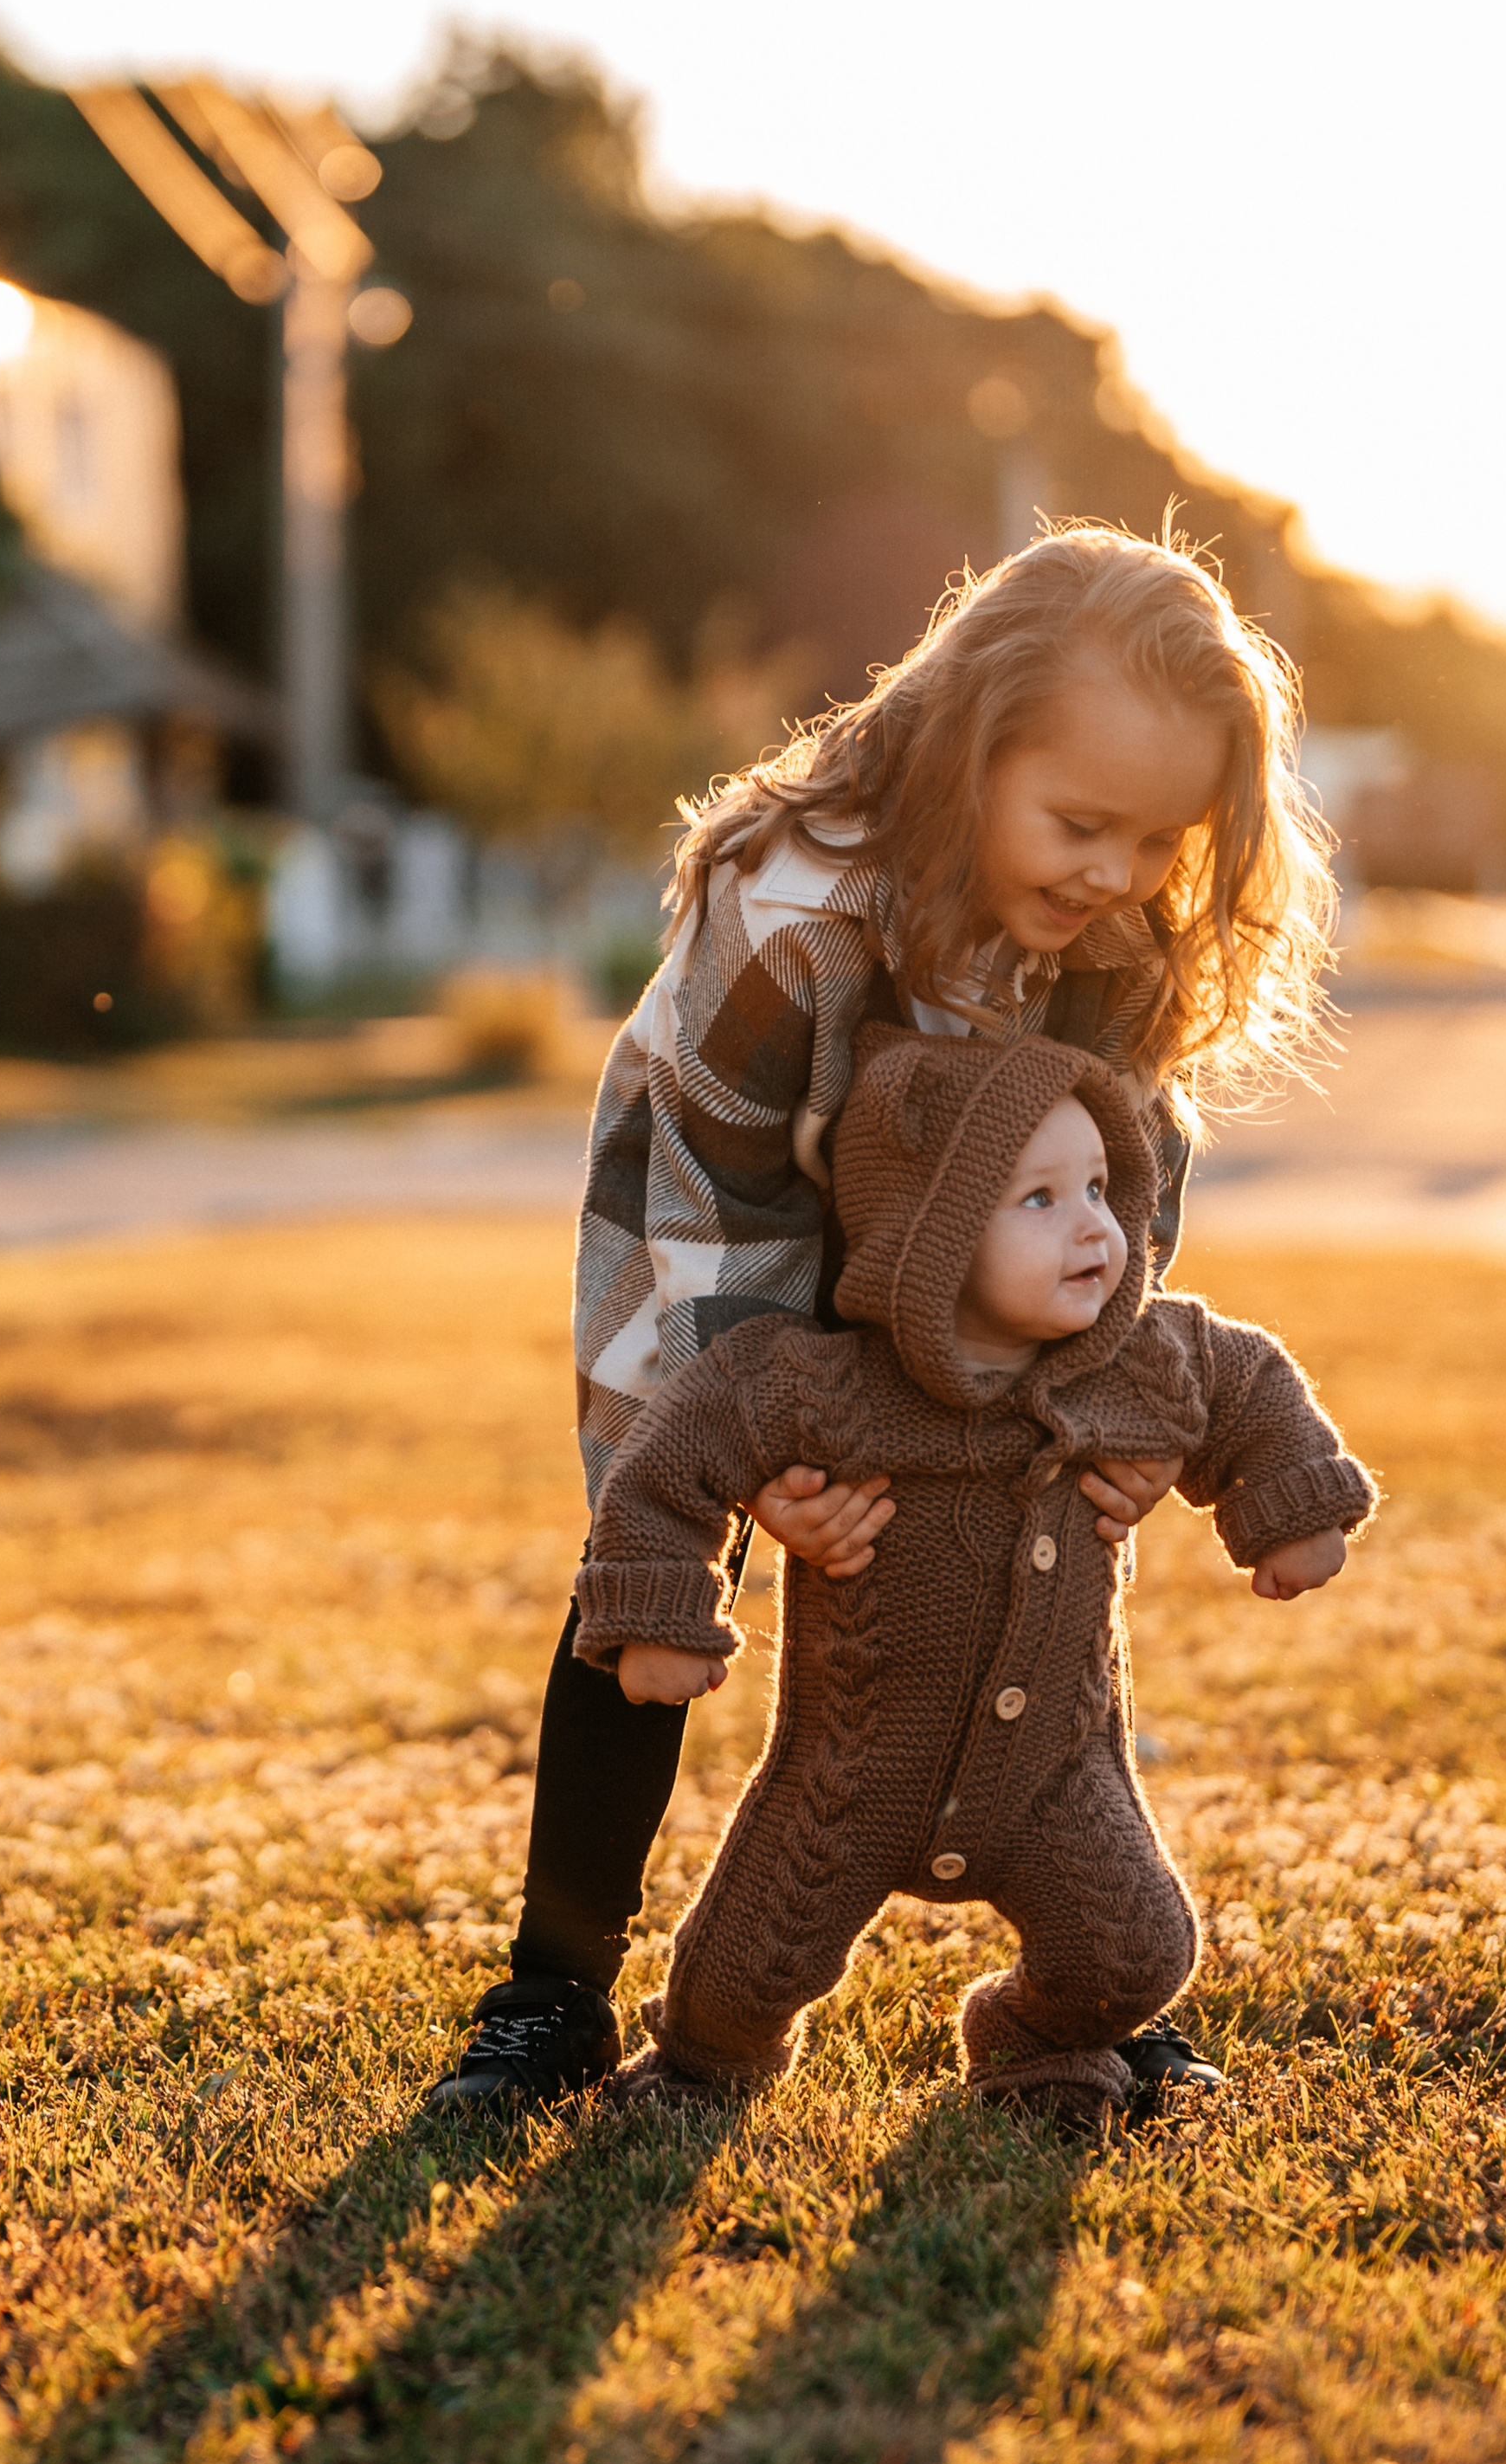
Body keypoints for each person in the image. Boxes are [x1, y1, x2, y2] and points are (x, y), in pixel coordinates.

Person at [422, 522, 1338, 2118]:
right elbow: (719, 1198)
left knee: (1042, 1561)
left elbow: (1121, 1174)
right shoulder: (795, 907)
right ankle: (553, 1990)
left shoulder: (1115, 931)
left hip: (987, 1233)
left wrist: (1108, 1395)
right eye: (1080, 824)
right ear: (970, 742)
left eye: (1158, 839)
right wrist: (762, 1451)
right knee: (650, 1570)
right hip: (725, 1226)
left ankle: (1092, 1988)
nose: (1114, 872)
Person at [576, 1025, 1374, 2134]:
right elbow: (673, 1460)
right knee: (738, 1977)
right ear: (928, 1237)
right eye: (1039, 1199)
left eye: (1096, 1187)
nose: (1094, 1225)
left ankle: (1035, 2040)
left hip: (1056, 1772)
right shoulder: (821, 1384)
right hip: (848, 1779)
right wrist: (660, 1617)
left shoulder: (1141, 1356)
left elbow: (1250, 1389)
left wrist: (1287, 1511)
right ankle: (705, 2071)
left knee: (1136, 1951)